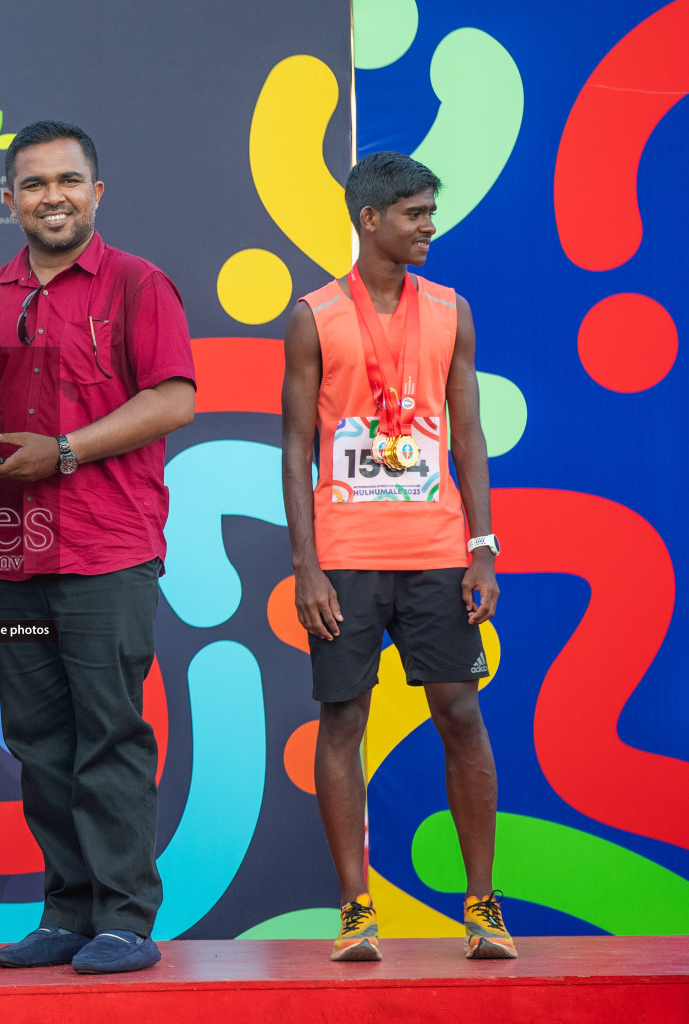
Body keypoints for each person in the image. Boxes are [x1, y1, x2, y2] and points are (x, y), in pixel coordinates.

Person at [0, 120, 196, 975]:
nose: (50, 197)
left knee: (110, 735)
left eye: (67, 181)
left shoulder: (138, 283)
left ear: (96, 193)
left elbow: (173, 400)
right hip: (13, 552)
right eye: (32, 184)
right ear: (11, 200)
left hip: (109, 550)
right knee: (36, 739)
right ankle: (66, 911)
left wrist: (62, 451)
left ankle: (125, 918)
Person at [280, 151, 515, 962]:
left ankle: (481, 905)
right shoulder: (315, 315)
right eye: (416, 213)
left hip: (438, 553)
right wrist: (306, 566)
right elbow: (295, 444)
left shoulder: (452, 309)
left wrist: (481, 548)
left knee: (460, 713)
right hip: (344, 557)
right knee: (344, 718)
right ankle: (356, 911)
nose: (430, 227)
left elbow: (471, 435)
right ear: (370, 219)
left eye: (431, 211)